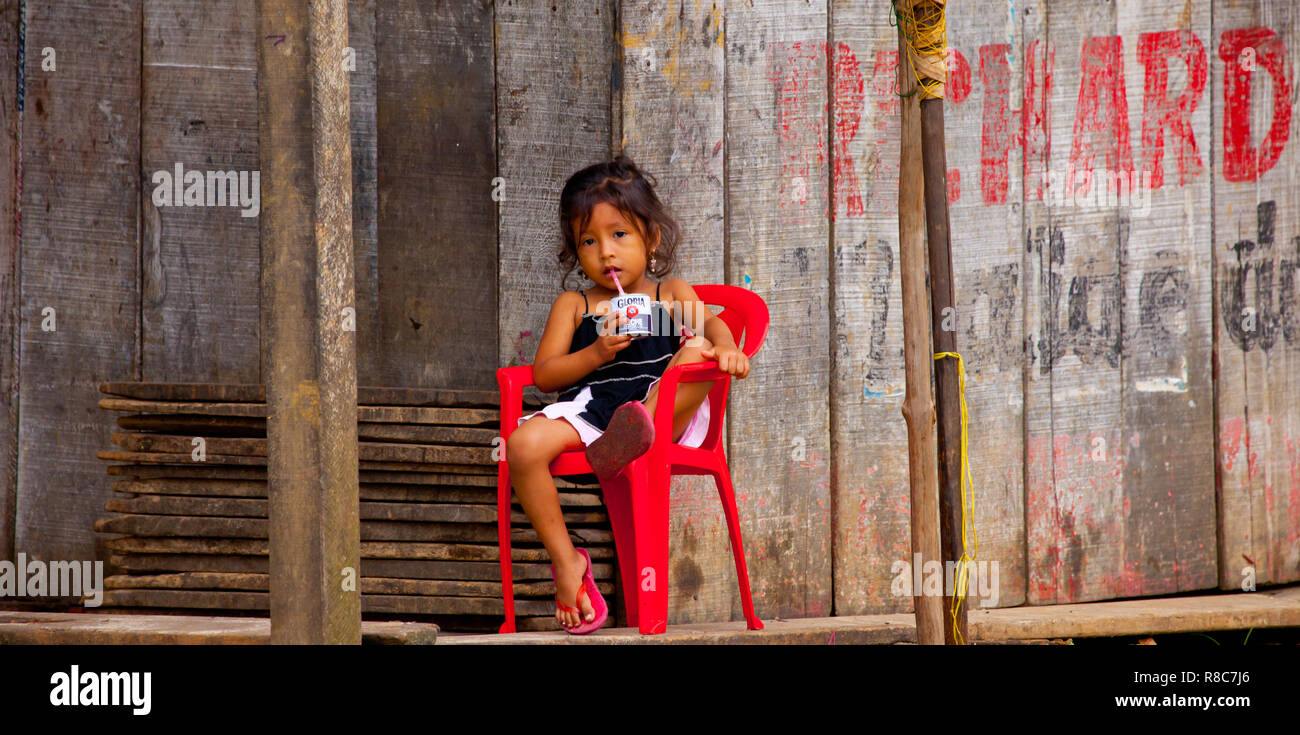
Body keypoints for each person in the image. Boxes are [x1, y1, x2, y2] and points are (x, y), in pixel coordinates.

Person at [506, 155, 752, 633]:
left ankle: (637, 429)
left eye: (619, 235)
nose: (606, 253)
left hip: (666, 409)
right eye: (589, 241)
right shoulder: (576, 305)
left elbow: (714, 323)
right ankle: (567, 563)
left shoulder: (670, 295)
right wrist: (596, 352)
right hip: (595, 412)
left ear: (651, 239)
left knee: (695, 347)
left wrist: (725, 350)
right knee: (523, 445)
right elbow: (546, 374)